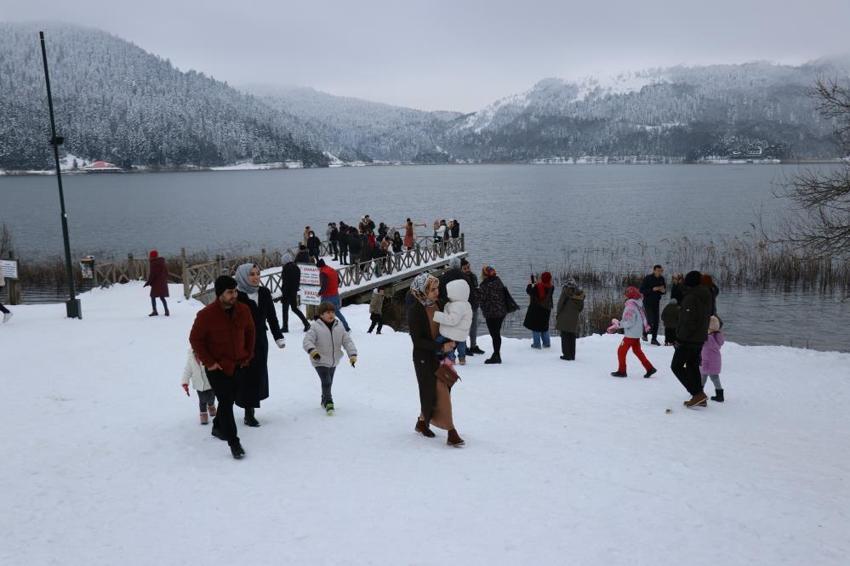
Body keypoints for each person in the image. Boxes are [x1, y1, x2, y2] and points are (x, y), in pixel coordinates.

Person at [189, 275, 255, 460]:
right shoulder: (206, 316)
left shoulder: (243, 310)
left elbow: (251, 332)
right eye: (230, 292)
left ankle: (218, 427)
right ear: (220, 294)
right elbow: (195, 340)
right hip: (217, 368)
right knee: (226, 402)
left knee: (229, 400)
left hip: (240, 364)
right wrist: (209, 362)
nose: (234, 295)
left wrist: (248, 354)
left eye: (235, 291)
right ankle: (234, 442)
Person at [407, 273, 464, 446]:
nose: (436, 292)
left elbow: (445, 326)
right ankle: (451, 431)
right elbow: (418, 341)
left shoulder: (438, 304)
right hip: (425, 359)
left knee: (437, 390)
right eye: (432, 290)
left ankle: (422, 422)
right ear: (422, 292)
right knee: (440, 391)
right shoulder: (415, 311)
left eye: (436, 288)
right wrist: (440, 347)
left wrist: (451, 339)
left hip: (443, 357)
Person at [234, 263, 286, 427]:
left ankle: (251, 409)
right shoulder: (236, 296)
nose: (256, 277)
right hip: (242, 342)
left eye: (258, 274)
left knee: (258, 375)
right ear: (243, 276)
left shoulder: (264, 293)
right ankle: (248, 412)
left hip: (261, 341)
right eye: (252, 274)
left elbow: (271, 316)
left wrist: (278, 336)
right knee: (244, 376)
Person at [303, 302, 358, 415]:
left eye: (332, 312)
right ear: (321, 314)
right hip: (319, 360)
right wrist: (313, 351)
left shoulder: (339, 325)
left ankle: (324, 399)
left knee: (329, 381)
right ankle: (329, 402)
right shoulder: (315, 326)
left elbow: (347, 341)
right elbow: (307, 341)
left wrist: (352, 354)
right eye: (327, 312)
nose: (331, 315)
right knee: (326, 381)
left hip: (333, 360)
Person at [671, 270, 713, 408]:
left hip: (688, 339)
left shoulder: (691, 298)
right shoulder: (705, 294)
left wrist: (679, 338)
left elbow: (688, 321)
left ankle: (697, 393)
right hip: (699, 337)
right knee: (692, 366)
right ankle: (699, 396)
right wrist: (679, 284)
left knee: (676, 366)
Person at [609, 286, 657, 378]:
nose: (624, 296)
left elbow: (629, 322)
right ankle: (650, 368)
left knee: (621, 351)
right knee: (637, 351)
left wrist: (618, 324)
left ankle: (622, 371)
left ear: (630, 295)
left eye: (626, 294)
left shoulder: (630, 306)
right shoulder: (638, 303)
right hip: (637, 332)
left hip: (631, 334)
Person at [479, 265, 514, 364]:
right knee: (496, 334)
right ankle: (496, 354)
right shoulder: (498, 281)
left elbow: (481, 299)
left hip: (491, 314)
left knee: (494, 334)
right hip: (501, 312)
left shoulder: (484, 285)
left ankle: (496, 356)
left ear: (484, 274)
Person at [433, 279, 473, 365]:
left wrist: (438, 316)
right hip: (461, 331)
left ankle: (451, 359)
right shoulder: (465, 303)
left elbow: (452, 320)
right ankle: (462, 358)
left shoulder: (456, 305)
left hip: (453, 331)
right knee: (461, 343)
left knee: (448, 343)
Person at [181, 348, 217, 425]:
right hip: (199, 385)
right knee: (202, 400)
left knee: (211, 397)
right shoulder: (191, 359)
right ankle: (203, 413)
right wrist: (185, 382)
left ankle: (211, 406)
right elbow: (187, 371)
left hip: (210, 383)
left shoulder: (207, 356)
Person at [280, 252, 311, 333]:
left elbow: (286, 282)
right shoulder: (296, 267)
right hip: (293, 291)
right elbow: (297, 280)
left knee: (285, 309)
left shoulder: (286, 269)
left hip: (287, 292)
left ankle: (285, 327)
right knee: (294, 308)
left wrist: (284, 294)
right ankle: (306, 323)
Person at [555, 278, 584, 361]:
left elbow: (560, 304)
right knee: (572, 336)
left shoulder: (565, 291)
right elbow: (581, 307)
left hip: (564, 316)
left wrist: (558, 313)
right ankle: (572, 355)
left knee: (564, 335)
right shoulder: (580, 293)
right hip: (574, 317)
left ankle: (566, 355)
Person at [317, 259, 350, 332]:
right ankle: (346, 327)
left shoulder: (323, 273)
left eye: (318, 268)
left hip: (327, 296)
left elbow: (324, 286)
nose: (318, 270)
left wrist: (319, 293)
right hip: (335, 294)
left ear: (319, 267)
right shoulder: (332, 270)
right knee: (336, 312)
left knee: (322, 311)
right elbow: (338, 281)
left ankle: (321, 329)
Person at [524, 272, 555, 349]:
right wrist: (535, 284)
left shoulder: (537, 287)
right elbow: (542, 289)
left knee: (536, 327)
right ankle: (547, 343)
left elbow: (529, 291)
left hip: (536, 309)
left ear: (542, 278)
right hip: (547, 309)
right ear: (550, 279)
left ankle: (537, 345)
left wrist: (530, 283)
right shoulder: (551, 287)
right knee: (544, 326)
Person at [461, 259, 485, 356]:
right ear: (461, 269)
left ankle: (473, 346)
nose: (467, 269)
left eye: (468, 267)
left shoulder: (473, 276)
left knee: (474, 327)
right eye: (465, 268)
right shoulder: (460, 278)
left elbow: (477, 289)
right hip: (465, 306)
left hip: (474, 305)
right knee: (464, 328)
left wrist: (479, 297)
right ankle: (464, 347)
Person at [639, 264, 666, 345]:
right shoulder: (648, 278)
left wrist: (663, 291)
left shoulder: (662, 279)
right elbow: (641, 290)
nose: (659, 272)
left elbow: (664, 291)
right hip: (647, 302)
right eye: (658, 271)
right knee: (650, 320)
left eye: (661, 271)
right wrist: (652, 289)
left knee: (657, 321)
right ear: (654, 270)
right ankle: (645, 334)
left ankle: (654, 339)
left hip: (656, 302)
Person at [701, 315, 725, 402]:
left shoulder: (708, 337)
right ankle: (719, 394)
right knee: (713, 377)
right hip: (715, 360)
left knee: (704, 376)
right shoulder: (717, 335)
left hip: (708, 361)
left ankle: (699, 393)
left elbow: (702, 344)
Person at [144, 249, 170, 317]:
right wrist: (164, 279)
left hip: (156, 284)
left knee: (152, 296)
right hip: (163, 282)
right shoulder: (162, 262)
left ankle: (155, 311)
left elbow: (152, 275)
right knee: (162, 297)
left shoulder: (153, 263)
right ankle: (166, 311)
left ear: (152, 256)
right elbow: (167, 273)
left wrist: (148, 283)